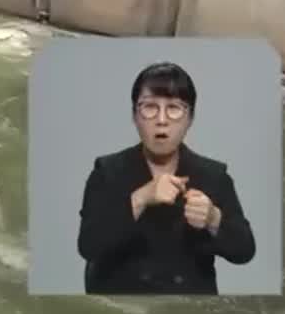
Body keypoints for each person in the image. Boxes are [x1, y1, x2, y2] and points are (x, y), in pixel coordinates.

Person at [76, 61, 256, 293]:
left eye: (174, 108)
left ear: (190, 118)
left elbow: (245, 251)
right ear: (134, 116)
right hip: (121, 310)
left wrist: (213, 219)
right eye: (149, 107)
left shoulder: (213, 176)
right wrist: (139, 199)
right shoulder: (107, 172)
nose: (161, 119)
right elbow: (88, 246)